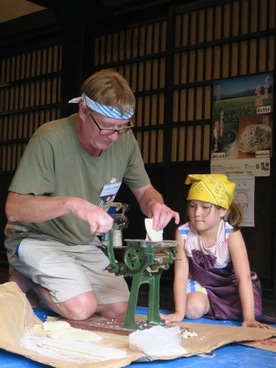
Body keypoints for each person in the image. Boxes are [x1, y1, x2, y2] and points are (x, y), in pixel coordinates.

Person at [4, 68, 179, 321]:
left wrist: (156, 205)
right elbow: (14, 208)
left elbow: (145, 192)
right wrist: (72, 204)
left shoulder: (125, 141)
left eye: (122, 127)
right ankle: (29, 280)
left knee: (119, 310)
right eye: (107, 127)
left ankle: (53, 280)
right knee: (82, 308)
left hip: (84, 242)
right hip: (38, 237)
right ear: (84, 111)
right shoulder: (49, 138)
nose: (115, 137)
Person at [161, 174, 276, 328]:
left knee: (248, 311)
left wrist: (248, 318)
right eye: (193, 206)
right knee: (193, 310)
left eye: (205, 207)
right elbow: (181, 275)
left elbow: (244, 278)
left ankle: (229, 310)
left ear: (222, 210)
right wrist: (178, 313)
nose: (197, 213)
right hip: (201, 284)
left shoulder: (231, 234)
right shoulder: (183, 232)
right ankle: (210, 306)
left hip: (230, 287)